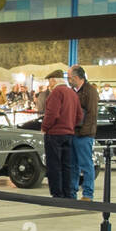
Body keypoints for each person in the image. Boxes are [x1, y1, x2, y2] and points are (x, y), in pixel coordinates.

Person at [40, 69, 80, 199]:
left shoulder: (56, 93)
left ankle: (57, 194)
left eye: (49, 82)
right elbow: (79, 116)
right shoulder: (72, 93)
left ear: (53, 80)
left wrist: (44, 128)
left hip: (55, 134)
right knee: (67, 165)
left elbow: (52, 114)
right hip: (69, 134)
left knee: (54, 165)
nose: (49, 85)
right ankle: (68, 193)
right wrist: (70, 125)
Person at [69, 64, 98, 200]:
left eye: (69, 77)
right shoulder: (74, 91)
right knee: (73, 165)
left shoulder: (90, 91)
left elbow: (92, 114)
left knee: (86, 165)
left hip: (84, 135)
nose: (69, 80)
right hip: (74, 133)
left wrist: (83, 132)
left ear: (76, 77)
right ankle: (72, 192)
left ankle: (88, 194)